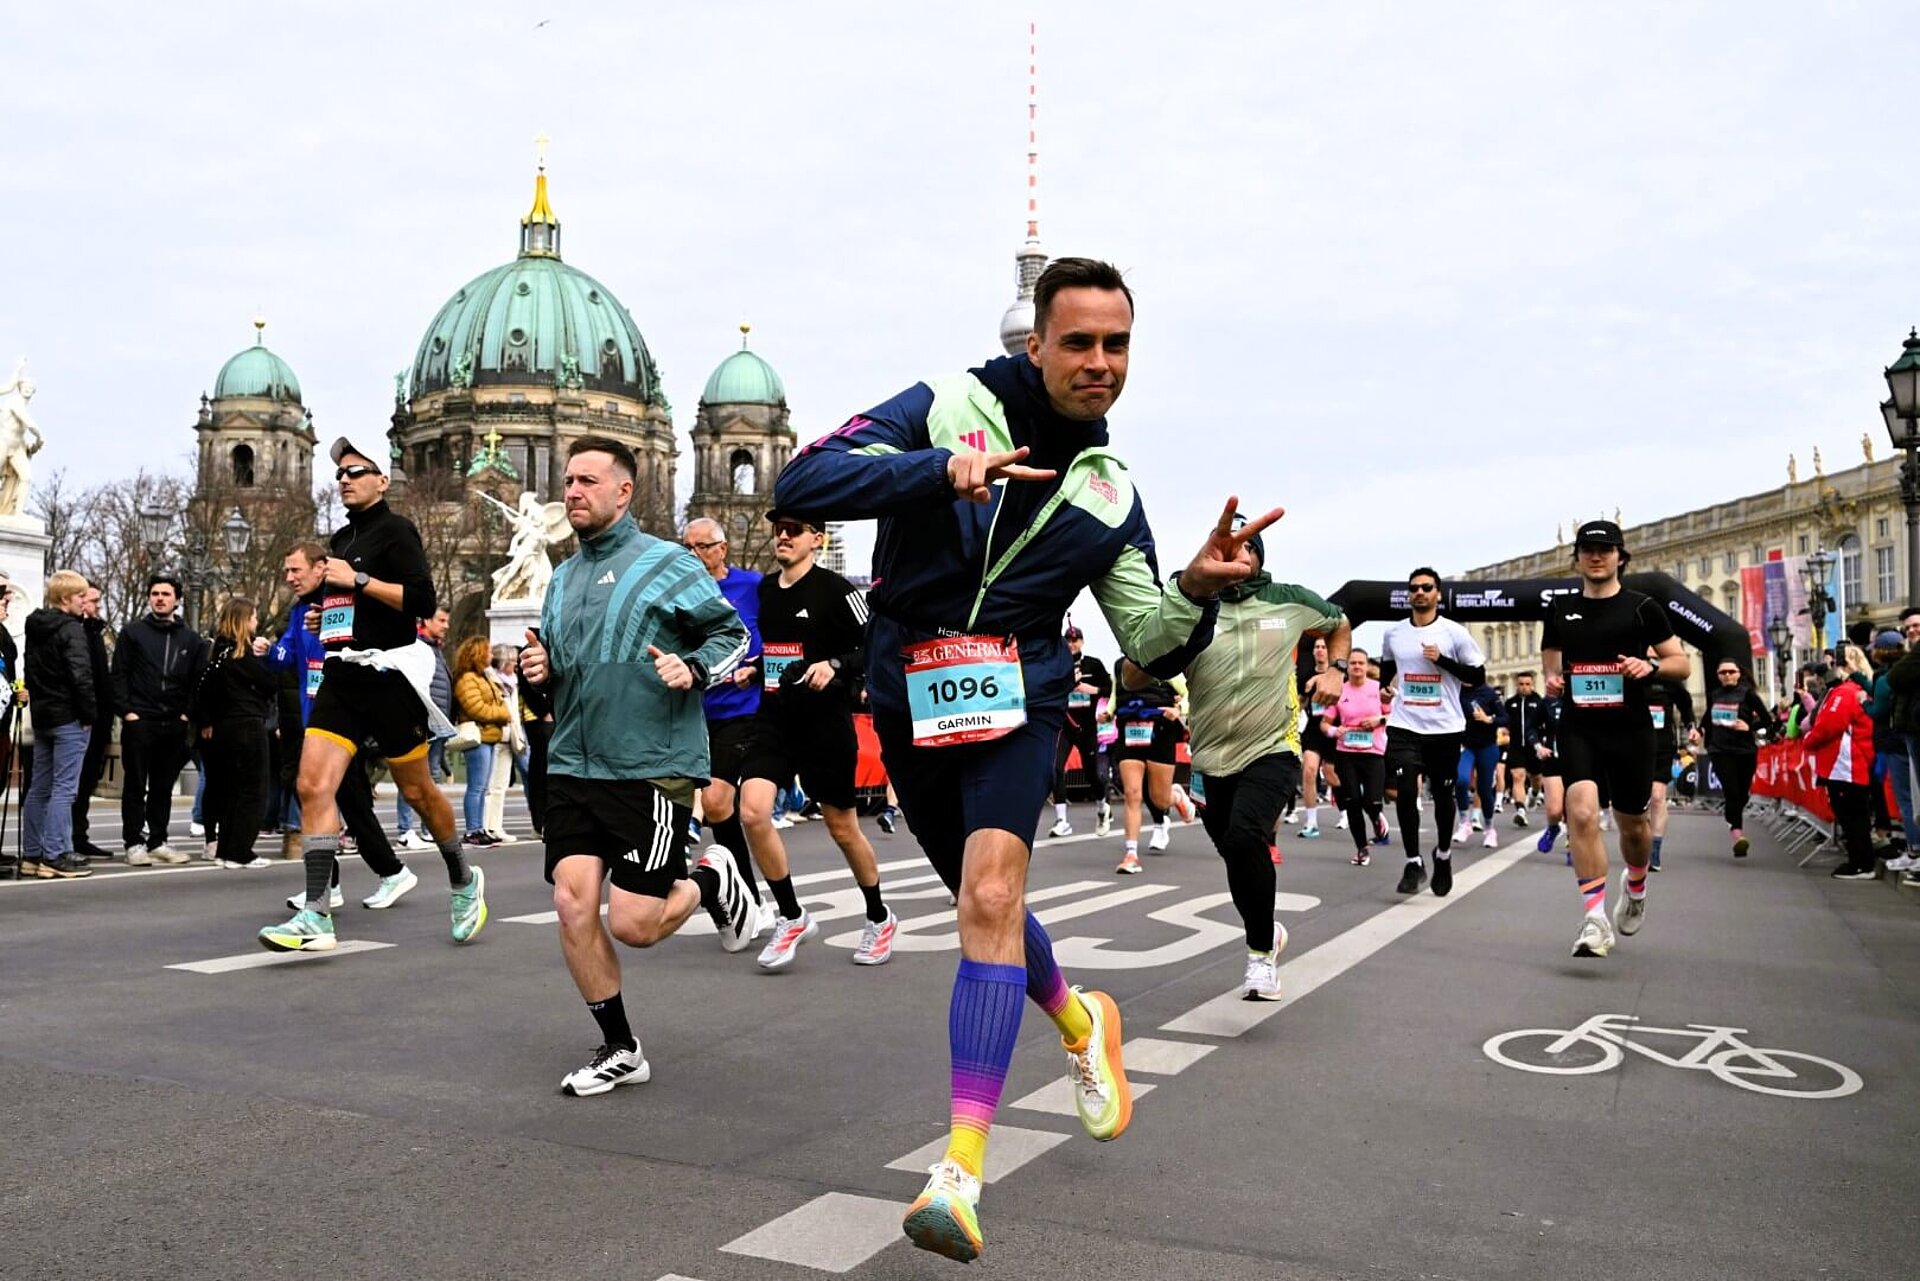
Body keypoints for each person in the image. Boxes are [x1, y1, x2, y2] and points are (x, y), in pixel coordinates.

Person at [772, 256, 1276, 1262]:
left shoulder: (1108, 491)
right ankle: (1080, 1015)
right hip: (909, 687)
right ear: (1035, 343)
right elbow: (804, 480)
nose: (1099, 361)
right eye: (1079, 341)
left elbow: (1145, 638)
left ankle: (959, 1174)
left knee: (992, 898)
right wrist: (932, 469)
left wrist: (1196, 587)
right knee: (980, 900)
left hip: (1022, 694)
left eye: (1116, 344)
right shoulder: (947, 403)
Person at [516, 435, 755, 1096]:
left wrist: (693, 665)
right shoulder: (561, 579)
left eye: (587, 480)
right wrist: (539, 671)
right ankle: (619, 1046)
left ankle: (712, 878)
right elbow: (558, 673)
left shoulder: (668, 562)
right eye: (567, 481)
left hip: (650, 766)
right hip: (572, 763)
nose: (572, 492)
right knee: (572, 903)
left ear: (624, 491)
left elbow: (731, 634)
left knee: (634, 923)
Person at [257, 437, 485, 953]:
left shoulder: (397, 531)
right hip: (344, 672)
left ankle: (463, 878)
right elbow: (349, 606)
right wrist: (326, 617)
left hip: (388, 676)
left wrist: (357, 579)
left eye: (356, 472)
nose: (345, 479)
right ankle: (317, 915)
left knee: (418, 792)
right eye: (339, 474)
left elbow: (422, 603)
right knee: (312, 784)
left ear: (382, 481)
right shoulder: (340, 538)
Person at [1166, 521, 1347, 999]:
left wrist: (1339, 670)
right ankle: (1269, 929)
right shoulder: (1190, 603)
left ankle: (1261, 958)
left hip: (1273, 747)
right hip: (1210, 756)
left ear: (1261, 556)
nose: (1238, 555)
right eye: (1227, 546)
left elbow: (1339, 622)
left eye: (1248, 546)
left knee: (1247, 836)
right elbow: (1150, 651)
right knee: (1235, 853)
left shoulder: (1288, 598)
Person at [736, 510, 895, 969]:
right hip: (774, 719)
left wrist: (837, 666)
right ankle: (790, 915)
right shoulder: (766, 590)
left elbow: (873, 644)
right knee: (753, 812)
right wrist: (755, 667)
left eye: (793, 530)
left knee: (842, 828)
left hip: (825, 723)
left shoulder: (837, 591)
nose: (782, 536)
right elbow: (776, 648)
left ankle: (879, 916)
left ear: (816, 540)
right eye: (777, 528)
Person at [1540, 521, 1688, 959]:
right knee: (1581, 813)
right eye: (1588, 549)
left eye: (1605, 549)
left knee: (1635, 828)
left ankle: (1636, 884)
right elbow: (1552, 664)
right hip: (1580, 725)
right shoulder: (1560, 609)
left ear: (1621, 556)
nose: (1596, 556)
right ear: (1578, 557)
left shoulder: (1643, 607)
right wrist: (1552, 681)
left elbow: (1681, 662)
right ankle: (1595, 918)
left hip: (1630, 729)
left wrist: (1651, 668)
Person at [264, 541, 419, 910]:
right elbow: (286, 656)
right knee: (322, 799)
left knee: (349, 803)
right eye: (286, 571)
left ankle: (390, 872)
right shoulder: (299, 609)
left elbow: (359, 654)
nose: (289, 578)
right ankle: (332, 882)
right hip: (312, 719)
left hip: (340, 720)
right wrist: (266, 652)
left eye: (295, 570)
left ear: (321, 568)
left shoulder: (343, 603)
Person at [1378, 568, 1486, 897]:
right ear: (1408, 595)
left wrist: (1442, 661)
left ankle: (1442, 855)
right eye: (1414, 588)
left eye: (1427, 587)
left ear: (1438, 594)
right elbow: (1387, 667)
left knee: (1443, 796)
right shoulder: (1394, 634)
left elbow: (1477, 677)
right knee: (1405, 790)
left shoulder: (1454, 633)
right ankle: (1413, 862)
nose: (1420, 593)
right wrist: (1384, 689)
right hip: (1405, 724)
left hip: (1444, 727)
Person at [682, 516, 765, 920]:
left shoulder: (752, 587)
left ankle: (750, 895)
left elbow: (779, 636)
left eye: (701, 547)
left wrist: (758, 668)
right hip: (693, 713)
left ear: (721, 549)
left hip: (742, 710)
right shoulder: (678, 597)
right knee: (716, 810)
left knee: (717, 799)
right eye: (687, 548)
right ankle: (748, 895)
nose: (694, 556)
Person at [111, 574, 204, 864]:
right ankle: (133, 843)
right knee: (136, 784)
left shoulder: (191, 639)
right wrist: (127, 711)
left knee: (163, 786)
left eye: (166, 593)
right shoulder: (132, 633)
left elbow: (197, 680)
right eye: (155, 593)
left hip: (173, 721)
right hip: (140, 719)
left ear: (177, 599)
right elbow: (119, 674)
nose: (160, 598)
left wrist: (187, 713)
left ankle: (158, 840)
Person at [194, 597, 278, 870]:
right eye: (253, 617)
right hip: (247, 724)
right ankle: (241, 851)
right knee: (253, 790)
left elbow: (204, 691)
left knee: (230, 790)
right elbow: (268, 683)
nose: (256, 622)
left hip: (223, 727)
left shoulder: (216, 653)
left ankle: (226, 849)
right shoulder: (242, 655)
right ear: (245, 620)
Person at [22, 570, 96, 878]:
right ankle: (54, 855)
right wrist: (89, 714)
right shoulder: (71, 630)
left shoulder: (36, 627)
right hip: (68, 716)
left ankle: (32, 854)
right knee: (65, 788)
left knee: (39, 786)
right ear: (66, 599)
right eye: (81, 596)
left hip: (42, 716)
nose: (84, 602)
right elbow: (80, 676)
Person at [1803, 661, 1879, 879]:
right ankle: (1859, 861)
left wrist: (1809, 740)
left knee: (1852, 815)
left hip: (1846, 765)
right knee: (1851, 815)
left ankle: (1861, 864)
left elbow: (1828, 725)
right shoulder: (1842, 692)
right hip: (1843, 764)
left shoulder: (1843, 693)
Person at [1111, 660, 1188, 872]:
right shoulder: (1121, 666)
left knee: (1160, 799)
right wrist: (1108, 713)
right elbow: (1115, 695)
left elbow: (1189, 692)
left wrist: (1179, 709)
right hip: (1129, 728)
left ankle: (1177, 797)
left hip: (1160, 729)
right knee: (1132, 793)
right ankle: (1131, 854)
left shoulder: (1164, 664)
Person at [1692, 657, 1771, 858]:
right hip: (1720, 750)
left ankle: (1733, 820)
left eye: (1731, 672)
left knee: (1742, 794)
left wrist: (1749, 727)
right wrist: (1699, 731)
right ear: (1718, 676)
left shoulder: (1748, 694)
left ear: (1739, 674)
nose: (1727, 675)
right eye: (1723, 672)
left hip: (1745, 751)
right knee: (1732, 792)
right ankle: (1738, 835)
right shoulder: (1715, 695)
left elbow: (1768, 720)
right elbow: (1708, 719)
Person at [1323, 646, 1388, 865]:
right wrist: (1334, 731)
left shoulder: (1378, 688)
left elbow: (1394, 715)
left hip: (1373, 752)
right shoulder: (1340, 691)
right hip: (1346, 752)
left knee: (1372, 801)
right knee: (1351, 801)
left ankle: (1377, 817)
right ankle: (1362, 848)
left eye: (1361, 663)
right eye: (1353, 663)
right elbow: (1325, 723)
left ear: (1367, 666)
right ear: (1347, 667)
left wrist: (1378, 720)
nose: (1357, 667)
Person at [1048, 624, 1113, 838]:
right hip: (1065, 726)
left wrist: (1091, 689)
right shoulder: (1058, 665)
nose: (1072, 643)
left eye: (1075, 640)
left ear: (1082, 642)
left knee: (1091, 772)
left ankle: (1103, 806)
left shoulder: (1093, 664)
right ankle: (1062, 820)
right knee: (1056, 768)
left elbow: (1110, 689)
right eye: (1068, 640)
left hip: (1087, 728)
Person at [396, 608, 453, 849]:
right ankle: (405, 829)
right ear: (426, 620)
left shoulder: (436, 648)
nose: (446, 625)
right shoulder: (416, 646)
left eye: (447, 621)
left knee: (432, 776)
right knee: (413, 776)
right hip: (422, 720)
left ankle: (426, 828)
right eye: (441, 620)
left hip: (437, 722)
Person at [68, 586, 114, 860]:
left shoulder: (95, 630)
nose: (97, 605)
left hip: (98, 719)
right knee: (72, 783)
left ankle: (79, 835)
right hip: (81, 719)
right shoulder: (75, 631)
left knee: (86, 783)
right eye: (93, 600)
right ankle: (67, 838)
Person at [452, 636, 511, 847]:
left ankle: (479, 827)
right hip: (478, 736)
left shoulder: (484, 676)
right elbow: (476, 708)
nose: (491, 655)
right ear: (477, 653)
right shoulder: (467, 678)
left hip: (488, 735)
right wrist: (503, 713)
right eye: (487, 651)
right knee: (476, 786)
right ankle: (473, 829)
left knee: (482, 786)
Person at [1643, 660, 1694, 872]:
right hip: (1635, 746)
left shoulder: (1670, 682)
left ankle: (1654, 849)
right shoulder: (1629, 678)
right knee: (1638, 802)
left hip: (1663, 745)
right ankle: (1642, 839)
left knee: (1657, 796)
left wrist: (1692, 727)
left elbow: (1686, 707)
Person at [1293, 635, 1341, 838]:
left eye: (1324, 647)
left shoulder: (1338, 675)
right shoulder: (1307, 676)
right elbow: (1301, 703)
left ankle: (1346, 810)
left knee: (1331, 774)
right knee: (1309, 770)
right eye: (1317, 647)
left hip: (1334, 728)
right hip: (1313, 727)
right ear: (1313, 652)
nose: (1320, 650)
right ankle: (1311, 822)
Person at [1453, 676, 1507, 849]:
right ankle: (1464, 823)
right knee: (1461, 781)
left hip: (1487, 746)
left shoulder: (1489, 693)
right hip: (1466, 746)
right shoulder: (1456, 691)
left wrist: (1488, 719)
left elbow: (1505, 718)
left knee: (1484, 790)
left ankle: (1490, 829)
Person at [483, 644, 524, 841]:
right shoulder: (491, 679)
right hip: (495, 734)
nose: (515, 664)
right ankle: (486, 826)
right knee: (489, 786)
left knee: (500, 786)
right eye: (512, 661)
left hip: (510, 736)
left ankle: (496, 826)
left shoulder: (513, 682)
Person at [1504, 672, 1545, 825]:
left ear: (1532, 684)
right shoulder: (1510, 703)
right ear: (1516, 685)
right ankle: (1520, 810)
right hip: (1516, 746)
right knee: (1518, 776)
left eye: (1527, 684)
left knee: (1537, 777)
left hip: (1534, 746)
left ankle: (1534, 793)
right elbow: (1504, 721)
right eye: (1521, 684)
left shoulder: (1539, 701)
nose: (1524, 687)